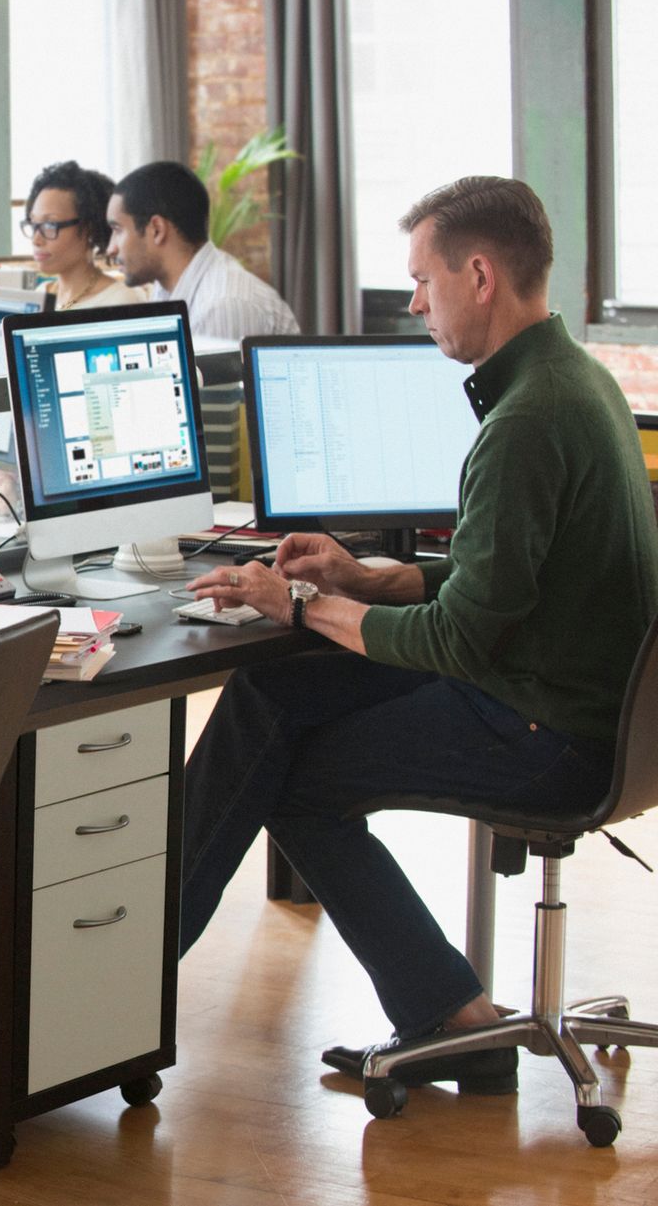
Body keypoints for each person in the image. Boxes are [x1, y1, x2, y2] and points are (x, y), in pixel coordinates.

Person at [177, 176, 658, 1093]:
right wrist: (361, 578)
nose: (413, 302)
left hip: (546, 730)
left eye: (422, 282)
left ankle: (447, 1013)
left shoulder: (525, 422)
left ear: (479, 275)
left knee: (301, 783)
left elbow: (461, 640)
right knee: (272, 695)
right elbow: (505, 584)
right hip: (589, 709)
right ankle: (154, 946)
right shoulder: (577, 380)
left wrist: (300, 606)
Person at [106, 160, 299, 341]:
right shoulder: (166, 289)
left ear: (157, 229)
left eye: (117, 230)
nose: (110, 249)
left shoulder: (220, 306)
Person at [22, 161, 140, 310]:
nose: (36, 240)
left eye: (50, 225)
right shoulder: (42, 293)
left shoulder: (118, 301)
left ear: (88, 229)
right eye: (33, 224)